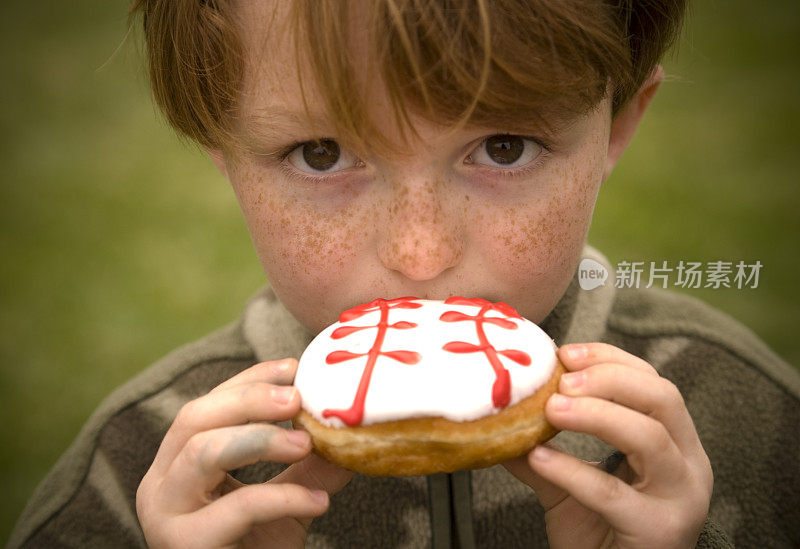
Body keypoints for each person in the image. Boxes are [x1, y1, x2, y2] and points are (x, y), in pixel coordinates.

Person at [9, 0, 800, 547]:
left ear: (618, 125)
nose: (420, 255)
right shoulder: (143, 476)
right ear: (223, 148)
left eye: (503, 146)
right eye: (321, 153)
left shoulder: (747, 425)